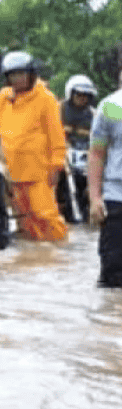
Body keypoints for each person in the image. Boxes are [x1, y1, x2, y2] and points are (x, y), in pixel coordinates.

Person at [0, 51, 68, 242]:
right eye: (13, 75)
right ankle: (32, 261)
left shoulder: (45, 99)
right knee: (24, 220)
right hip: (12, 172)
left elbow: (56, 136)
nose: (18, 79)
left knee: (45, 215)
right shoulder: (2, 98)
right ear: (7, 78)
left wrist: (57, 165)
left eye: (21, 74)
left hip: (39, 171)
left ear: (31, 74)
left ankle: (58, 253)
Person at [88, 68, 122, 286]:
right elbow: (97, 153)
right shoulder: (112, 106)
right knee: (112, 279)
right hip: (116, 198)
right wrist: (94, 198)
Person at [58, 74, 97, 223]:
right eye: (79, 95)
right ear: (71, 94)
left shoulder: (94, 114)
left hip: (86, 156)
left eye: (86, 95)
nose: (83, 98)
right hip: (61, 154)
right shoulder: (58, 109)